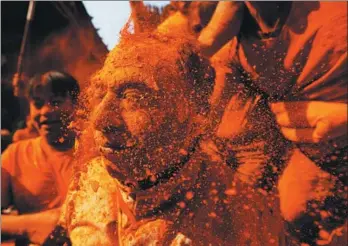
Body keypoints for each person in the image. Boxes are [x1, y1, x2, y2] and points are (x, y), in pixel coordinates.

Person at [50, 31, 287, 245]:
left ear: (193, 109)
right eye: (100, 93)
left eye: (134, 97)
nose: (101, 120)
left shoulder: (235, 219)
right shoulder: (91, 180)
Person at [197, 2, 347, 245]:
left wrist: (344, 118)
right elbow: (183, 79)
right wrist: (212, 36)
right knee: (293, 210)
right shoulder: (239, 39)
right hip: (315, 170)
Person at [1, 71, 80, 245]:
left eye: (55, 102)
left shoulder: (98, 152)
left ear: (77, 105)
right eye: (37, 104)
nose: (45, 111)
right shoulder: (15, 155)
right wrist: (30, 226)